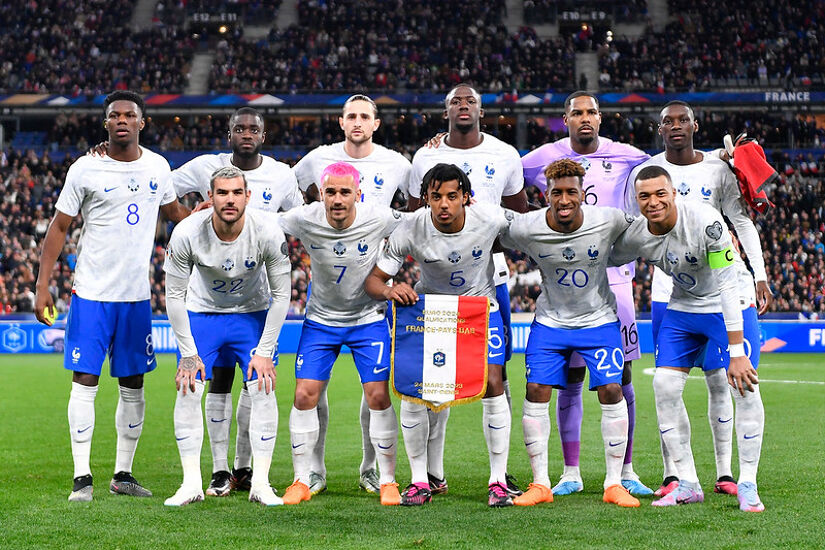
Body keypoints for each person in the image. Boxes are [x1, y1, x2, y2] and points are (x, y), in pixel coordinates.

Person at [34, 91, 190, 502]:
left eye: (129, 115)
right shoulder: (85, 167)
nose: (122, 120)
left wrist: (210, 215)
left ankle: (123, 474)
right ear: (106, 124)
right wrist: (41, 284)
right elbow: (59, 226)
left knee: (133, 384)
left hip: (136, 297)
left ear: (143, 123)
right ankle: (81, 477)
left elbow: (177, 218)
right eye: (114, 115)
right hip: (91, 294)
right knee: (85, 380)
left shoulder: (158, 166)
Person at [628, 101, 771, 498]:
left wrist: (759, 274)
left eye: (682, 120)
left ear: (695, 125)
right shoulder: (643, 170)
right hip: (672, 293)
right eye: (667, 122)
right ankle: (678, 476)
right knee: (666, 385)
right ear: (659, 129)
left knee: (729, 383)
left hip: (724, 290)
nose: (653, 201)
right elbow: (619, 236)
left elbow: (741, 220)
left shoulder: (715, 172)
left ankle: (737, 477)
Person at [521, 91, 652, 496]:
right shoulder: (542, 157)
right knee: (571, 377)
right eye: (576, 112)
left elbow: (666, 172)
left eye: (591, 112)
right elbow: (503, 173)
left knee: (622, 377)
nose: (584, 118)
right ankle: (570, 472)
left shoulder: (629, 155)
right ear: (565, 119)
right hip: (565, 282)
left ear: (600, 117)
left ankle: (626, 469)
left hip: (614, 281)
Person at [169, 107, 302, 497]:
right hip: (203, 312)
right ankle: (193, 482)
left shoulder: (268, 229)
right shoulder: (187, 231)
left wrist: (265, 350)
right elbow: (173, 296)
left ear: (249, 196)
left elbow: (282, 295)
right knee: (190, 386)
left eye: (236, 193)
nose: (229, 199)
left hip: (251, 311)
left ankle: (259, 483)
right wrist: (188, 354)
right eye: (221, 193)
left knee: (262, 386)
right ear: (209, 197)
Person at [365, 163, 514, 507]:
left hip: (478, 309)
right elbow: (374, 281)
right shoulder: (411, 227)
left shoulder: (490, 218)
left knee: (494, 382)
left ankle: (498, 481)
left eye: (451, 196)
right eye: (436, 197)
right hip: (430, 311)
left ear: (466, 197)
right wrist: (390, 290)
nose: (444, 204)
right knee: (416, 391)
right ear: (426, 199)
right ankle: (419, 481)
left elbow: (533, 230)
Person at [406, 84, 528, 498]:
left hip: (489, 273)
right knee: (434, 379)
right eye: (455, 101)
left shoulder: (504, 153)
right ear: (445, 112)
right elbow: (411, 216)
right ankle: (432, 473)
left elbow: (519, 217)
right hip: (437, 278)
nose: (463, 106)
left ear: (481, 109)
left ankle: (501, 471)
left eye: (470, 100)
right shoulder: (426, 155)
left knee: (497, 373)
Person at [500, 159, 640, 508]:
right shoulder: (528, 227)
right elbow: (492, 229)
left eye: (571, 192)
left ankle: (613, 483)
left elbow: (645, 232)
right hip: (551, 322)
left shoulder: (608, 219)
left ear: (583, 194)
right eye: (557, 193)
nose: (564, 200)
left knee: (611, 388)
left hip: (599, 320)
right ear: (545, 194)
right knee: (536, 389)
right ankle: (541, 483)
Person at [292, 95, 411, 495]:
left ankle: (374, 470)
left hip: (369, 308)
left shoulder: (396, 164)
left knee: (377, 393)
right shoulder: (317, 159)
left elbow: (416, 210)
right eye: (351, 116)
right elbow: (284, 195)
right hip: (322, 313)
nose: (358, 122)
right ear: (340, 122)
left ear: (375, 123)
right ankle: (312, 472)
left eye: (365, 116)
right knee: (308, 391)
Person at [278, 162, 404, 507]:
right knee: (304, 393)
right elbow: (262, 222)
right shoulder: (305, 218)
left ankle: (384, 477)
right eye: (330, 192)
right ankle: (303, 478)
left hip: (368, 318)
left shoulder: (378, 217)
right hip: (321, 320)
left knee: (378, 395)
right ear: (320, 194)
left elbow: (416, 226)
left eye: (345, 192)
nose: (337, 199)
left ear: (357, 194)